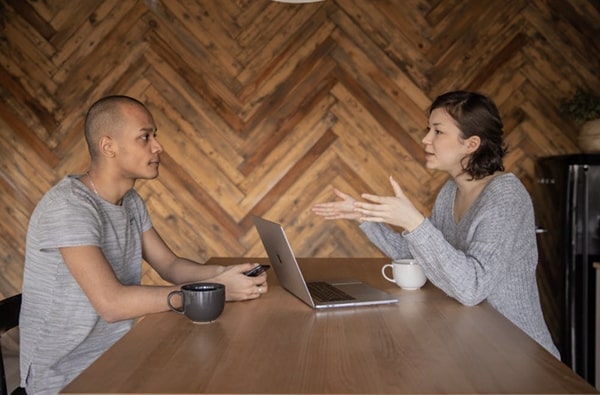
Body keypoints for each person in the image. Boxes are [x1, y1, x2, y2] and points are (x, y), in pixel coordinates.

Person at [19, 95, 269, 394]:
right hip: (68, 377)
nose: (157, 147)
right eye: (144, 137)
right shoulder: (69, 207)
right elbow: (112, 304)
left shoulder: (130, 202)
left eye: (155, 136)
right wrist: (213, 293)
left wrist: (226, 274)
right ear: (108, 146)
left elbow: (171, 266)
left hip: (118, 358)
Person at [312, 90, 560, 358]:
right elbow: (421, 257)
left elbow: (472, 288)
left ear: (471, 144)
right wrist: (364, 217)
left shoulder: (505, 197)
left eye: (438, 131)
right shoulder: (450, 192)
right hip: (474, 345)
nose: (425, 139)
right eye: (428, 129)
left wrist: (414, 223)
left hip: (519, 355)